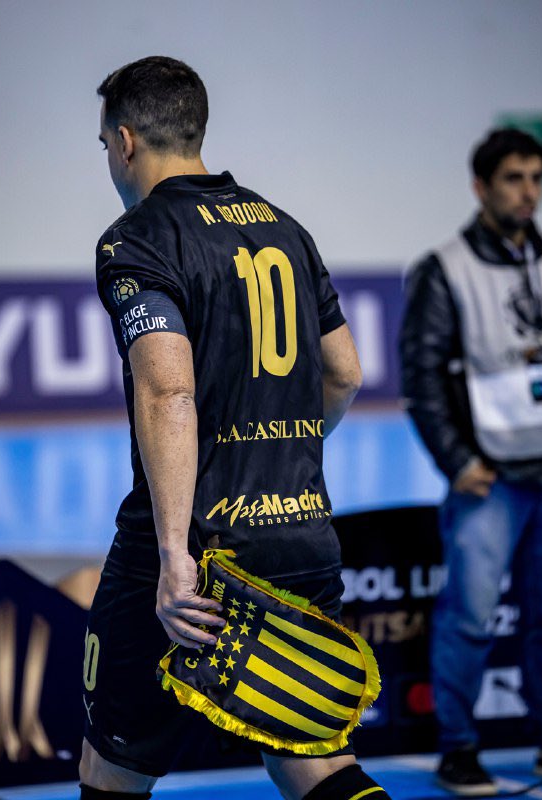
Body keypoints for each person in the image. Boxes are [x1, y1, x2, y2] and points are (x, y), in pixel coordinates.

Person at [79, 56, 390, 800]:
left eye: (102, 146)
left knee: (112, 767)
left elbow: (168, 392)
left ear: (125, 140)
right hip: (302, 537)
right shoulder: (285, 228)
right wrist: (281, 456)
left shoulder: (138, 238)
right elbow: (344, 372)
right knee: (309, 758)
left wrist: (173, 553)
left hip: (204, 551)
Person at [400, 128, 542, 794]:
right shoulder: (445, 267)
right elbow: (422, 378)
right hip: (489, 482)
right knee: (469, 615)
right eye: (515, 178)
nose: (529, 192)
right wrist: (458, 461)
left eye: (536, 177)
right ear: (481, 186)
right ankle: (458, 748)